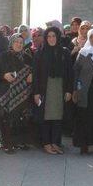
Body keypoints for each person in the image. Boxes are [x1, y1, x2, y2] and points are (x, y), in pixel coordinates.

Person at [0, 34, 34, 153]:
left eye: (20, 42)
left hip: (23, 93)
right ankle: (6, 143)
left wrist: (31, 75)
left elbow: (34, 70)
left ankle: (19, 142)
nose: (19, 44)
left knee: (21, 117)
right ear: (11, 43)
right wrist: (4, 75)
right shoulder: (4, 56)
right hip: (7, 91)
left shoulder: (27, 57)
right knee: (7, 118)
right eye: (16, 42)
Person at [32, 27, 73, 155]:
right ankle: (46, 143)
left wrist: (69, 90)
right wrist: (36, 92)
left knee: (58, 116)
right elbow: (36, 74)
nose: (51, 39)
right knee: (45, 116)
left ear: (58, 37)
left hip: (59, 87)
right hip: (45, 88)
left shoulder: (64, 52)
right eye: (48, 36)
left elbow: (69, 73)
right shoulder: (40, 53)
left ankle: (55, 142)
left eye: (53, 36)